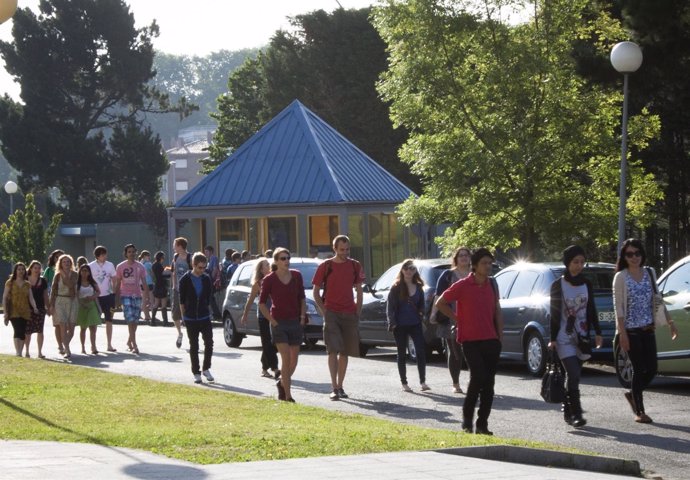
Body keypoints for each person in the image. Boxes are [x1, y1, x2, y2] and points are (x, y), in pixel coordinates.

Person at [435, 248, 503, 435]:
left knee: (489, 383)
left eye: (490, 263)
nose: (488, 267)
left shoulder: (492, 284)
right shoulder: (463, 285)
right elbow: (440, 302)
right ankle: (467, 418)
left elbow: (497, 309)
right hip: (470, 339)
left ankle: (482, 424)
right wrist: (457, 318)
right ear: (475, 265)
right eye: (484, 263)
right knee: (478, 376)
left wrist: (500, 336)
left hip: (491, 339)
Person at [613, 238, 678, 424]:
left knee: (652, 369)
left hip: (648, 327)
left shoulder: (649, 272)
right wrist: (622, 333)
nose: (634, 257)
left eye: (637, 253)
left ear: (642, 254)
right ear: (624, 257)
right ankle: (640, 412)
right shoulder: (621, 277)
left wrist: (670, 322)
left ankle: (633, 393)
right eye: (629, 254)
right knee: (639, 369)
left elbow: (657, 300)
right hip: (631, 330)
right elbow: (619, 307)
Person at [548, 245, 603, 428]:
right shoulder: (558, 285)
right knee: (574, 373)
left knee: (573, 376)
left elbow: (591, 308)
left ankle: (567, 407)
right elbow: (554, 313)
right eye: (575, 262)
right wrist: (553, 338)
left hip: (583, 337)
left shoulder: (586, 283)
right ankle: (577, 413)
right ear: (567, 263)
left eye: (581, 262)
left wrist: (598, 332)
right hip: (564, 336)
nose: (578, 266)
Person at [312, 235, 365, 400]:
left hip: (349, 313)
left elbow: (359, 290)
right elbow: (315, 291)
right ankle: (333, 387)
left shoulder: (355, 265)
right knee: (332, 350)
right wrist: (324, 311)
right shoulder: (325, 266)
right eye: (342, 249)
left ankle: (341, 386)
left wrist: (358, 310)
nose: (345, 252)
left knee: (345, 351)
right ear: (334, 249)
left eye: (347, 249)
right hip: (332, 313)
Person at [259, 248, 307, 402]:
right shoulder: (270, 279)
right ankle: (288, 395)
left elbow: (302, 298)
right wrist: (272, 321)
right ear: (276, 261)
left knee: (294, 360)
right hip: (278, 323)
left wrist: (302, 317)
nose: (286, 261)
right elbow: (261, 303)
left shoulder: (297, 276)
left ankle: (281, 383)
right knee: (286, 360)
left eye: (288, 258)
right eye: (283, 258)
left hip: (294, 321)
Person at [431, 247, 472, 394]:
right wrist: (436, 314)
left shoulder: (475, 276)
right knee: (456, 353)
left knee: (473, 353)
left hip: (472, 319)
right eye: (460, 255)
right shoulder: (447, 275)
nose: (464, 258)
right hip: (451, 320)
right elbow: (438, 296)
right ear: (456, 259)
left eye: (466, 255)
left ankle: (473, 381)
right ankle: (456, 383)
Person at [387, 259, 429, 392]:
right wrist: (392, 323)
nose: (409, 271)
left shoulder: (418, 286)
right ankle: (404, 383)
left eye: (412, 268)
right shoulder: (396, 287)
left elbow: (422, 303)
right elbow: (390, 307)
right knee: (401, 353)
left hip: (415, 323)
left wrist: (422, 312)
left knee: (421, 352)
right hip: (399, 325)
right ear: (402, 270)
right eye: (406, 268)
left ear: (415, 270)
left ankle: (422, 381)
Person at [179, 252, 215, 384]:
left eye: (204, 267)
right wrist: (184, 317)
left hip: (204, 316)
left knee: (209, 343)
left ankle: (206, 368)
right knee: (194, 345)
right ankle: (196, 372)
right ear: (193, 265)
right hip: (190, 318)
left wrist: (209, 310)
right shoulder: (185, 279)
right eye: (199, 267)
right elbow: (181, 300)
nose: (202, 270)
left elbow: (208, 297)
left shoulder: (206, 279)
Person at [241, 258, 279, 379]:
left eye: (269, 264)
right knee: (267, 342)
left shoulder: (275, 279)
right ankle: (275, 368)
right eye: (266, 265)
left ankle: (264, 367)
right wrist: (245, 315)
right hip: (263, 317)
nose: (269, 265)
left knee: (274, 343)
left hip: (276, 315)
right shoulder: (257, 284)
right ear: (261, 269)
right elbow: (250, 300)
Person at [114, 244, 149, 354]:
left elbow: (144, 283)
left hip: (137, 295)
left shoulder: (140, 267)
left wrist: (147, 298)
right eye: (129, 252)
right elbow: (118, 283)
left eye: (133, 251)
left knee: (135, 320)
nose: (132, 254)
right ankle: (134, 344)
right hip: (125, 295)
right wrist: (116, 298)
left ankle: (130, 340)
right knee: (130, 319)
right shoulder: (120, 266)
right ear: (126, 253)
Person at [3, 262, 39, 357]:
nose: (21, 271)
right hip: (13, 310)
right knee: (17, 329)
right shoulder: (10, 282)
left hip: (25, 310)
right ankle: (18, 352)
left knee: (22, 331)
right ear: (15, 271)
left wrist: (34, 307)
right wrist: (6, 312)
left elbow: (31, 297)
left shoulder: (27, 284)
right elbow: (5, 297)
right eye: (19, 269)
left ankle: (20, 351)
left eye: (23, 269)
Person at [49, 254, 79, 358]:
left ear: (71, 263)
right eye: (64, 262)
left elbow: (71, 285)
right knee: (62, 325)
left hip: (72, 301)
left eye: (68, 262)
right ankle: (67, 349)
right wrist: (51, 305)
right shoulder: (57, 276)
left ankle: (65, 344)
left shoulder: (75, 274)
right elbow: (53, 291)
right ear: (60, 264)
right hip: (60, 301)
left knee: (71, 328)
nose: (66, 263)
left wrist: (64, 274)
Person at [89, 246, 118, 352]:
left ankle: (109, 344)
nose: (105, 256)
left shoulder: (110, 265)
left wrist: (114, 291)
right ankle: (93, 346)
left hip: (109, 296)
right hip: (96, 297)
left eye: (105, 254)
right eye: (102, 255)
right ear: (97, 256)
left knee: (109, 320)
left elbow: (115, 278)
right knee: (94, 322)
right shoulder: (90, 266)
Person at [24, 260, 50, 359]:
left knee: (40, 331)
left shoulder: (43, 281)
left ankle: (40, 352)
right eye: (35, 268)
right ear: (30, 268)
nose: (37, 270)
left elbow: (45, 296)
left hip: (40, 308)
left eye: (39, 268)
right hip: (27, 309)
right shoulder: (25, 279)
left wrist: (48, 307)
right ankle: (27, 351)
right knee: (28, 331)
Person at [171, 237, 192, 349]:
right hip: (177, 289)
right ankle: (179, 333)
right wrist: (174, 285)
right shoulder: (175, 257)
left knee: (188, 313)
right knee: (175, 314)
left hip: (188, 290)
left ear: (180, 246)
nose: (173, 247)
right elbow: (173, 272)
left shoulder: (190, 257)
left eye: (175, 245)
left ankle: (190, 335)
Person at [76, 264, 101, 355]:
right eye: (82, 271)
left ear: (89, 272)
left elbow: (98, 292)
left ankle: (93, 346)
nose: (84, 273)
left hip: (92, 305)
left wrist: (92, 297)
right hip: (82, 306)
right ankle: (83, 347)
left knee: (93, 327)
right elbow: (76, 296)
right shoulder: (78, 283)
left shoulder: (92, 283)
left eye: (86, 271)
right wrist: (82, 304)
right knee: (83, 328)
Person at [44, 249, 64, 351]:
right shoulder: (49, 270)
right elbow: (44, 285)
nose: (59, 259)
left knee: (66, 324)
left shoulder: (67, 269)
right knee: (57, 324)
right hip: (54, 299)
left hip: (66, 299)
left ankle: (65, 342)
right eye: (57, 257)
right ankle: (60, 345)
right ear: (53, 258)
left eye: (61, 256)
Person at [151, 251, 169, 326]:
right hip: (162, 286)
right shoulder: (159, 266)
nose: (163, 259)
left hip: (156, 286)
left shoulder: (154, 265)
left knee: (156, 303)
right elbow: (162, 276)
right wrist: (168, 275)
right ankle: (165, 321)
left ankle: (152, 320)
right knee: (163, 304)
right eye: (163, 257)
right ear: (161, 258)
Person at [203, 245, 222, 320]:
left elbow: (214, 269)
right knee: (211, 298)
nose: (206, 253)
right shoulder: (209, 259)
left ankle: (216, 314)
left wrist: (212, 280)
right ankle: (215, 313)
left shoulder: (214, 258)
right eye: (205, 252)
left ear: (211, 251)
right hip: (209, 280)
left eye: (207, 251)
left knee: (210, 298)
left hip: (211, 281)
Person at [139, 250, 154, 323]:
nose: (149, 257)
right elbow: (152, 272)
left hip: (142, 283)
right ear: (145, 256)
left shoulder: (139, 263)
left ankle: (146, 316)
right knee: (151, 300)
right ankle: (151, 315)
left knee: (144, 300)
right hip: (149, 283)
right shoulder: (148, 264)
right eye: (148, 256)